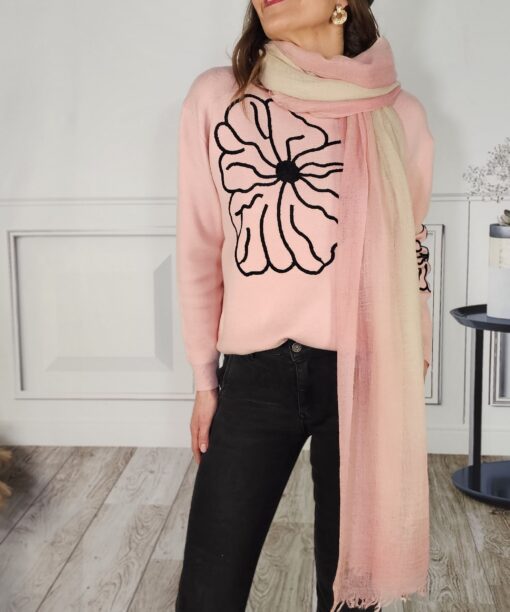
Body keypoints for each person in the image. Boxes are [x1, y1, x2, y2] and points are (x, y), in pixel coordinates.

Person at [175, 1, 434, 611]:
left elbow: (411, 252)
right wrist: (205, 381)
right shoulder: (220, 98)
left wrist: (411, 368)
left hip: (363, 376)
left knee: (350, 597)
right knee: (208, 592)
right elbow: (199, 246)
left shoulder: (399, 114)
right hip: (254, 378)